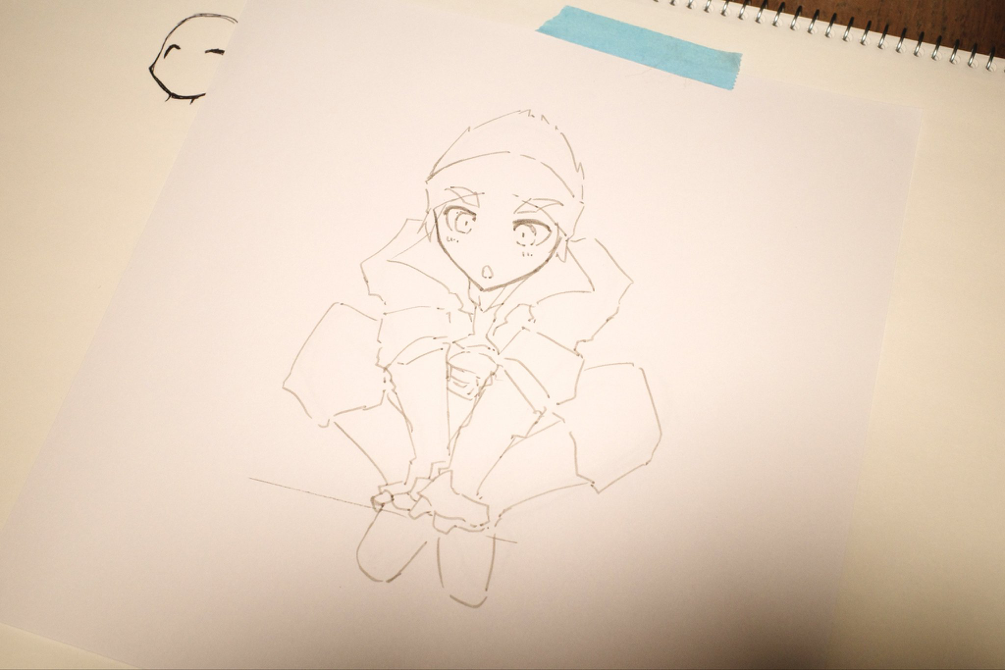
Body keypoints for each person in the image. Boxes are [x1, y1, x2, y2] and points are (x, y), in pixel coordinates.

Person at [285, 110, 660, 607]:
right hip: (419, 417)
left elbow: (531, 378)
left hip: (512, 428)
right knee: (335, 338)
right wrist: (428, 461)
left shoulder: (583, 278)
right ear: (436, 211)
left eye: (527, 228)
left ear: (563, 231)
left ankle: (476, 508)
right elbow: (412, 350)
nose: (489, 253)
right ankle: (412, 490)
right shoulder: (413, 255)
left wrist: (464, 482)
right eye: (463, 218)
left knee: (628, 405)